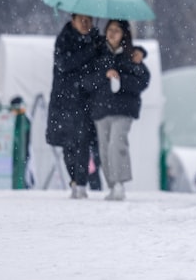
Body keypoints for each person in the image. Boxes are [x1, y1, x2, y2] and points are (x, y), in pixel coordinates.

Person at [85, 20, 150, 201]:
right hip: (100, 109)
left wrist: (121, 80)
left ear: (124, 35)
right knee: (104, 148)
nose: (112, 34)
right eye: (110, 30)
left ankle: (120, 183)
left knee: (116, 143)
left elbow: (143, 81)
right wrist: (104, 76)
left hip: (123, 110)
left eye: (117, 31)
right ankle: (112, 184)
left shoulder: (132, 56)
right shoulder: (97, 54)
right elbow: (87, 81)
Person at [46, 13, 103, 198]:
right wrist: (89, 51)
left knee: (85, 143)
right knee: (68, 145)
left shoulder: (97, 40)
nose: (86, 23)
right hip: (64, 101)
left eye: (89, 20)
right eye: (81, 20)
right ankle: (75, 180)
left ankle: (82, 183)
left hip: (87, 100)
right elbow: (64, 63)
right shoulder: (64, 39)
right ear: (73, 20)